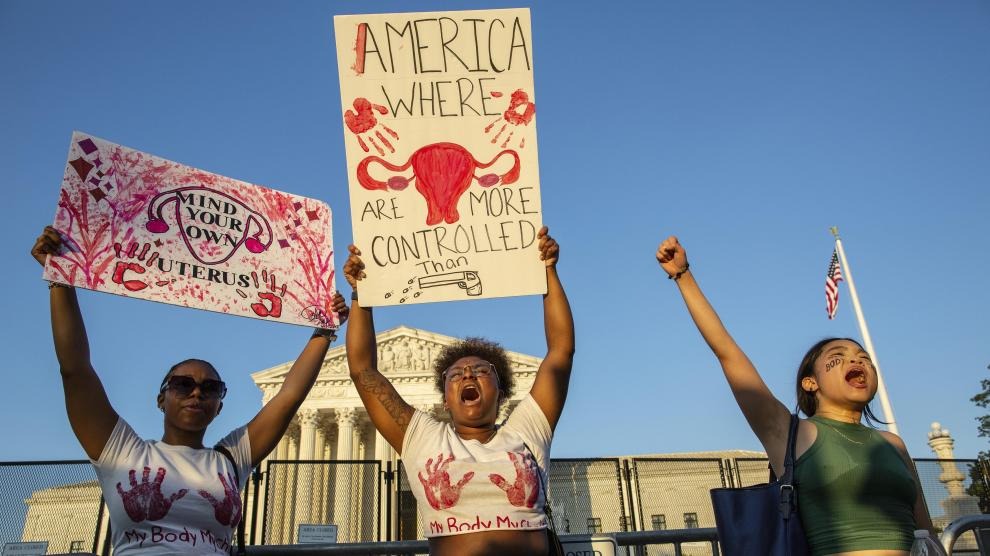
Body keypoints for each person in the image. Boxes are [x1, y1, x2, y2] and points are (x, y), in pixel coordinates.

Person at [32, 225, 348, 554]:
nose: (196, 393)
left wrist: (324, 332)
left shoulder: (230, 460)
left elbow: (288, 397)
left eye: (211, 388)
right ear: (161, 398)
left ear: (219, 406)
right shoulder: (123, 454)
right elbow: (76, 370)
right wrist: (59, 280)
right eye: (183, 385)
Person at [656, 235, 934, 556]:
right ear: (809, 383)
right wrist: (683, 275)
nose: (857, 360)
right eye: (839, 356)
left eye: (863, 357)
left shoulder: (894, 444)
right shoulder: (791, 433)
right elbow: (728, 353)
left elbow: (926, 533)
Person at [343, 226, 575, 556]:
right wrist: (360, 295)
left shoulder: (527, 432)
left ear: (501, 391)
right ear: (445, 401)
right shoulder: (424, 439)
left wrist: (548, 271)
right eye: (455, 374)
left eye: (482, 370)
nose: (468, 373)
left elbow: (560, 351)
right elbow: (363, 370)